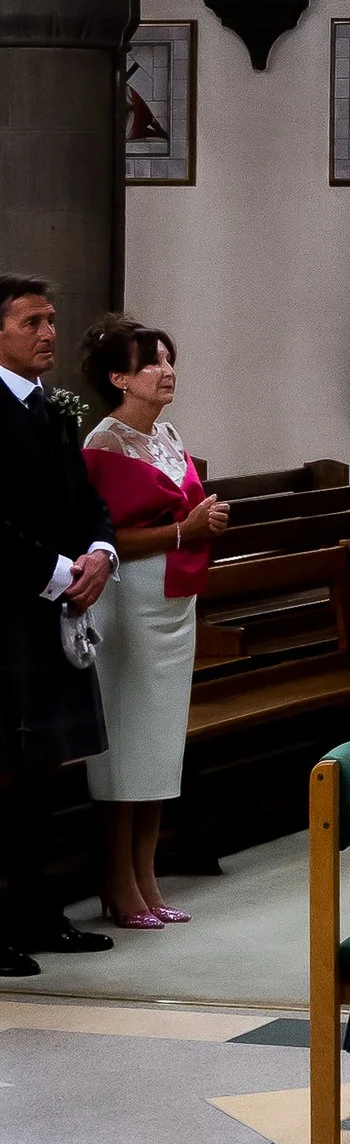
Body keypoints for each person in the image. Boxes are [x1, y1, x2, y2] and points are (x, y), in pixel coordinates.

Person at [78, 317, 229, 927]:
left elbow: (182, 511)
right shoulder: (103, 444)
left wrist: (205, 522)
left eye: (169, 359)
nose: (167, 371)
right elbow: (104, 537)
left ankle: (148, 877)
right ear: (118, 378)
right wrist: (182, 530)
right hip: (129, 601)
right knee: (127, 742)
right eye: (150, 363)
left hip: (174, 602)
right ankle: (118, 883)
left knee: (161, 747)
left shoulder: (166, 433)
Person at [0, 276, 117, 979]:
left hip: (53, 608)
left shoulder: (51, 408)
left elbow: (85, 499)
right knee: (5, 777)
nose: (49, 331)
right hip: (8, 614)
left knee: (43, 775)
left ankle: (40, 912)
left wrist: (100, 551)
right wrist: (55, 571)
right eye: (32, 321)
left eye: (51, 318)